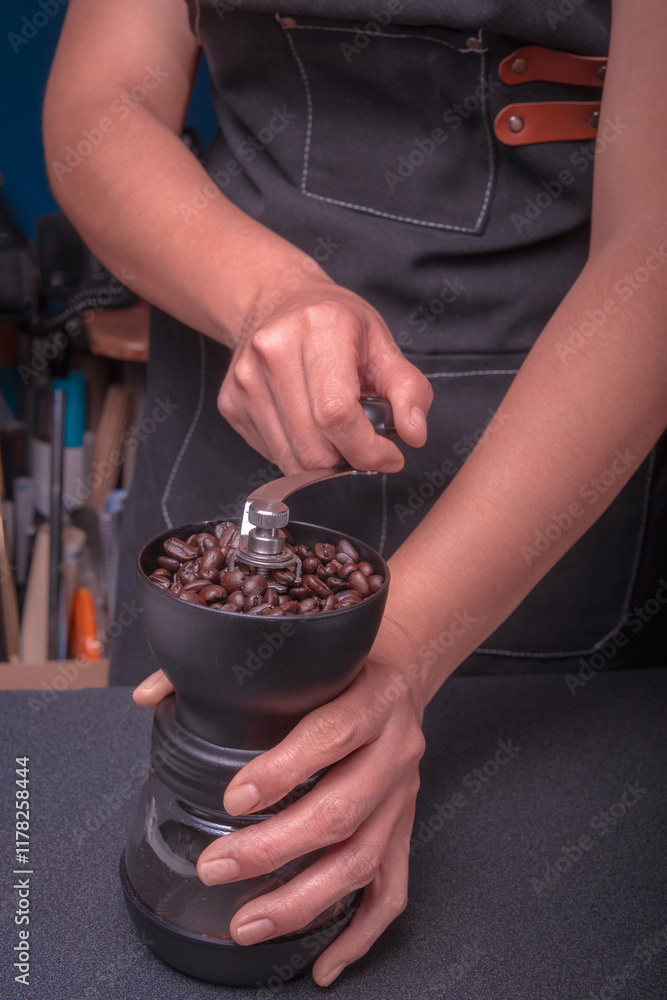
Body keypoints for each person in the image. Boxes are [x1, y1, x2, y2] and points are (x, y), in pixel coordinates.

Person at [43, 0, 667, 987]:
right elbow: (97, 108)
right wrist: (264, 293)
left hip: (541, 462)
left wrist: (406, 645)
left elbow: (655, 249)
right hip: (227, 397)